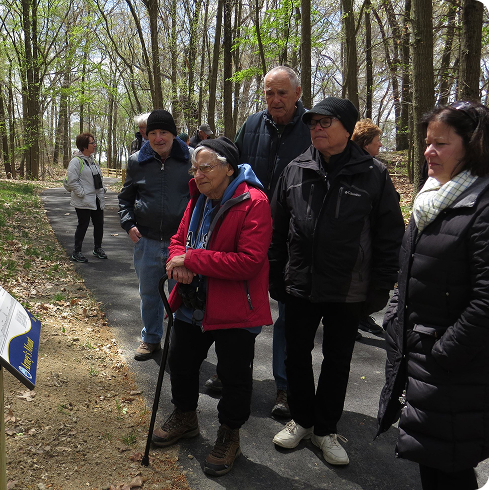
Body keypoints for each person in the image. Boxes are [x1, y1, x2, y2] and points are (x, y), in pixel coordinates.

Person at [269, 97, 404, 465]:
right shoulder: (296, 169)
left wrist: (380, 287)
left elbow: (390, 235)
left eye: (325, 122)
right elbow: (277, 229)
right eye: (313, 122)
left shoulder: (373, 173)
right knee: (296, 355)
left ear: (347, 128)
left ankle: (325, 430)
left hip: (348, 289)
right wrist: (275, 274)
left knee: (337, 360)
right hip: (299, 284)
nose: (316, 127)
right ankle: (301, 419)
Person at [377, 100, 489, 490]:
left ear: (472, 146)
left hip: (454, 368)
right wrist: (394, 315)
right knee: (432, 460)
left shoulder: (482, 206)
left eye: (440, 144)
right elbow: (406, 271)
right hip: (421, 358)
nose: (428, 151)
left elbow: (486, 301)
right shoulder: (432, 198)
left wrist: (443, 353)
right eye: (427, 142)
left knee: (451, 465)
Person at [152, 137, 272, 476]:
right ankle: (186, 417)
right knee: (181, 362)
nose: (198, 174)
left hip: (235, 308)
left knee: (234, 376)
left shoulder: (254, 201)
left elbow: (248, 262)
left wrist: (192, 259)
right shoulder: (200, 197)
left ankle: (229, 434)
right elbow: (179, 239)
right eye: (195, 168)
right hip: (193, 303)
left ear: (229, 168)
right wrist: (178, 260)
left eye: (206, 168)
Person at [232, 65, 311, 419]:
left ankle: (284, 386)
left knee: (288, 316)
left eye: (282, 93)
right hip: (248, 232)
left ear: (297, 93)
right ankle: (233, 372)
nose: (275, 100)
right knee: (240, 306)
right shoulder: (251, 125)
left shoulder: (314, 128)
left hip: (292, 237)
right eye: (269, 93)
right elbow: (233, 171)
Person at [118, 110, 191, 360]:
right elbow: (125, 198)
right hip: (147, 241)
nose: (158, 138)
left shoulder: (190, 159)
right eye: (152, 133)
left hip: (181, 244)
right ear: (145, 135)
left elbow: (204, 200)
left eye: (164, 132)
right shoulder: (137, 161)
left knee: (184, 296)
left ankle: (183, 344)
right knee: (149, 294)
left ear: (173, 133)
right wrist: (129, 225)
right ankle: (151, 339)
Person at [351, 119, 386, 336]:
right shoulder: (363, 170)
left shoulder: (377, 170)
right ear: (365, 144)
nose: (381, 145)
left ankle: (360, 318)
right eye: (377, 141)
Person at [66, 133, 106, 263]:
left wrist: (102, 189)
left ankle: (97, 248)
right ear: (84, 146)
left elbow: (98, 178)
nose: (95, 145)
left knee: (99, 224)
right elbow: (72, 181)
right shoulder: (76, 161)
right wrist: (82, 193)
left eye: (95, 142)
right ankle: (76, 252)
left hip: (96, 198)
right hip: (83, 200)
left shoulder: (92, 161)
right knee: (83, 225)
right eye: (92, 143)